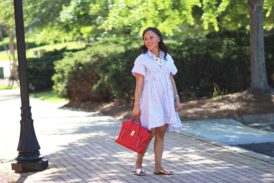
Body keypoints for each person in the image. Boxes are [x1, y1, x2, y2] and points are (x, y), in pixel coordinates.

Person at [131, 27, 182, 176]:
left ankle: (158, 167)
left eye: (151, 37)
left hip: (165, 100)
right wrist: (136, 105)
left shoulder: (167, 57)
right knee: (148, 134)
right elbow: (139, 84)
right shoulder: (142, 59)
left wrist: (176, 98)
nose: (148, 41)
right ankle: (137, 166)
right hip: (150, 100)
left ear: (158, 38)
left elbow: (171, 78)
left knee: (161, 133)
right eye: (145, 39)